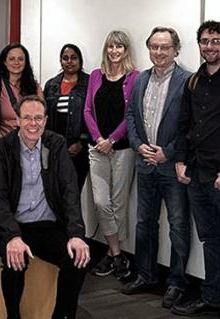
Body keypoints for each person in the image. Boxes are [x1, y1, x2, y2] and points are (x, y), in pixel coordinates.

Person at [0, 95, 90, 319]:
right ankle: (13, 316)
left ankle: (62, 315)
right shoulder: (1, 149)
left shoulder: (56, 144)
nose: (33, 124)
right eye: (27, 118)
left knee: (78, 258)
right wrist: (12, 236)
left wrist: (75, 234)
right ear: (17, 120)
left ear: (46, 120)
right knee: (14, 261)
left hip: (48, 224)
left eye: (38, 118)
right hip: (16, 226)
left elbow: (69, 190)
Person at [123, 27, 191, 309]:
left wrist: (169, 153)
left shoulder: (187, 81)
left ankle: (176, 282)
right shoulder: (140, 79)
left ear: (176, 49)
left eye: (165, 47)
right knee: (144, 223)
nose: (159, 52)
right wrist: (139, 146)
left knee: (177, 225)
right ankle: (147, 275)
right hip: (145, 161)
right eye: (154, 47)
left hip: (171, 165)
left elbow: (191, 125)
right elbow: (131, 115)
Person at [172, 20, 220, 317]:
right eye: (205, 41)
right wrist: (179, 160)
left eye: (216, 40)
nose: (210, 46)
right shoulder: (194, 81)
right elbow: (184, 124)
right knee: (211, 239)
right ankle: (212, 296)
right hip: (196, 173)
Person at [84, 30, 139, 279]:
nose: (114, 51)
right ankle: (117, 254)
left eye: (119, 47)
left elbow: (131, 115)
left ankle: (111, 254)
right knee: (101, 203)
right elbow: (87, 111)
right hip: (97, 149)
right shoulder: (96, 75)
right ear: (106, 49)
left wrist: (113, 139)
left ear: (126, 50)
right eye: (111, 46)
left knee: (118, 204)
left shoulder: (135, 78)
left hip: (123, 150)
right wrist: (99, 139)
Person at [44, 44, 90, 191]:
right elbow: (46, 118)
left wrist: (81, 142)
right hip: (56, 147)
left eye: (74, 58)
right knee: (57, 190)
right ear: (60, 61)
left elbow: (92, 115)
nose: (69, 61)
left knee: (75, 190)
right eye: (65, 58)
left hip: (80, 148)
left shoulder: (89, 83)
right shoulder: (51, 84)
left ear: (80, 60)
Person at [0, 43, 44, 138]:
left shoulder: (34, 87)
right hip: (4, 143)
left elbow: (42, 116)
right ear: (5, 62)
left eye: (20, 59)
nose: (16, 62)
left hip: (30, 142)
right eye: (12, 59)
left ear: (26, 62)